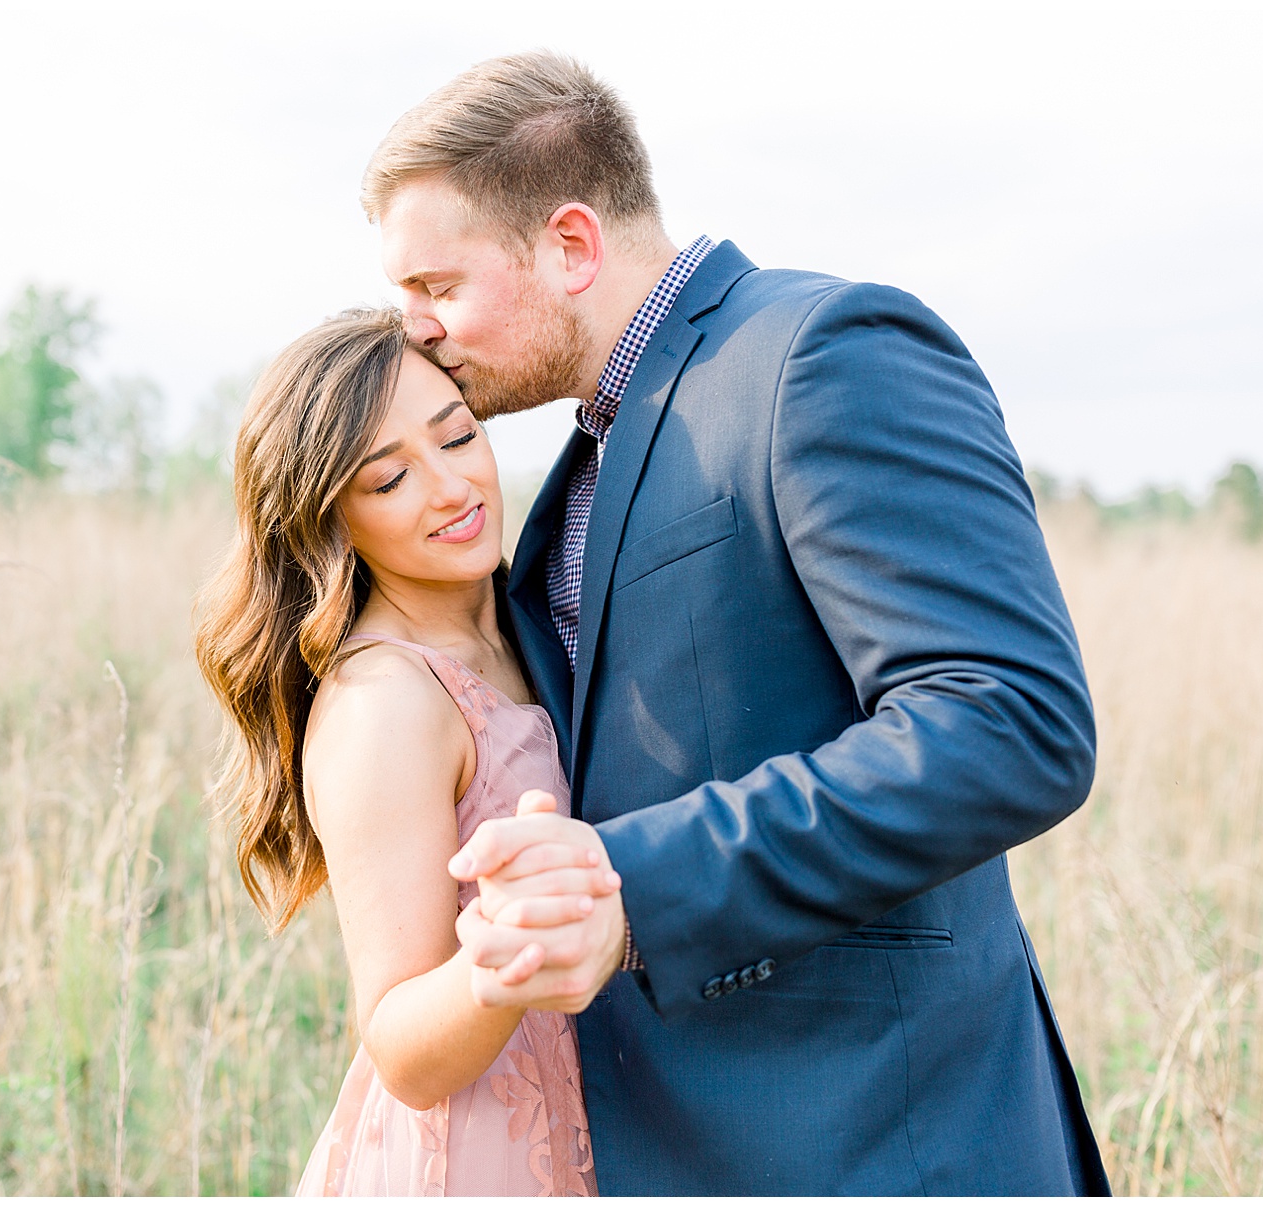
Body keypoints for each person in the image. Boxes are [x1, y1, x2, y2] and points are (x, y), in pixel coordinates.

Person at [361, 51, 1112, 1194]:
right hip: (671, 1147)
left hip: (872, 1142)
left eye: (436, 288)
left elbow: (1012, 723)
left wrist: (632, 886)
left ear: (570, 244)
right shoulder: (587, 454)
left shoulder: (821, 353)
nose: (413, 330)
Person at [192, 309, 602, 1196]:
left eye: (457, 436)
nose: (452, 488)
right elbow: (401, 1048)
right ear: (328, 521)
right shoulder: (386, 702)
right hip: (476, 1158)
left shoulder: (526, 619)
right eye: (389, 480)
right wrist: (507, 946)